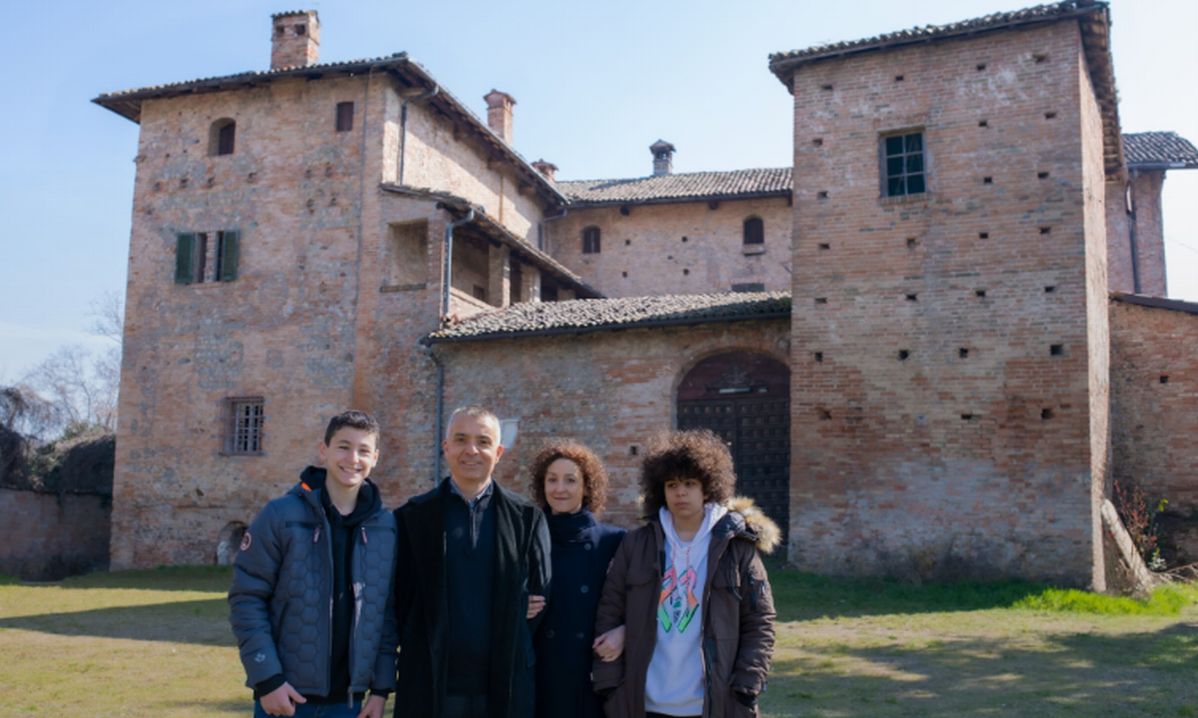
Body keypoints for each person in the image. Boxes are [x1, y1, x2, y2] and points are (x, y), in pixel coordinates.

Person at [593, 430, 778, 718]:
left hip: (713, 703)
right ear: (660, 490)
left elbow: (760, 621)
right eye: (672, 484)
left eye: (690, 483)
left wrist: (747, 685)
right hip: (643, 703)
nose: (680, 492)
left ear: (708, 488)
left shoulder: (736, 548)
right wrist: (609, 685)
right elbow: (609, 610)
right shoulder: (636, 544)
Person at [229, 410, 397, 718]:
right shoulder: (280, 516)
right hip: (285, 698)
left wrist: (381, 689)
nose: (353, 458)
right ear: (324, 451)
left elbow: (385, 613)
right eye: (343, 446)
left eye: (363, 450)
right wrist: (267, 679)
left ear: (375, 458)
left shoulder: (385, 527)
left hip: (349, 704)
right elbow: (247, 598)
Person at [392, 405, 551, 718]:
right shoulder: (412, 518)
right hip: (431, 683)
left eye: (483, 441)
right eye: (461, 439)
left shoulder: (527, 518)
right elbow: (400, 600)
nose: (471, 450)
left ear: (499, 451)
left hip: (503, 684)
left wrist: (516, 609)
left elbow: (539, 597)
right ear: (446, 447)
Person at [528, 440, 626, 718]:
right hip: (540, 678)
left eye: (570, 480)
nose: (560, 489)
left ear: (587, 487)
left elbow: (644, 603)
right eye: (552, 480)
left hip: (592, 679)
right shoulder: (526, 538)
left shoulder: (614, 541)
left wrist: (625, 633)